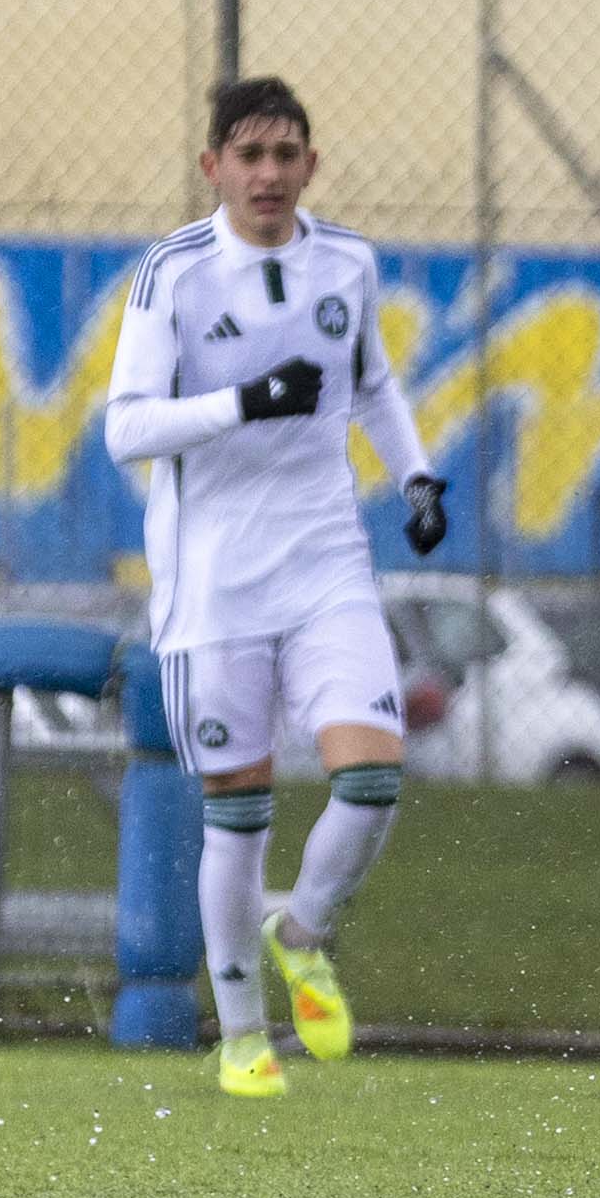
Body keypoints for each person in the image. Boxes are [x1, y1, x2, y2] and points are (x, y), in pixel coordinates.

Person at [106, 78, 452, 1100]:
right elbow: (127, 427)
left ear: (311, 165)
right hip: (211, 585)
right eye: (248, 155)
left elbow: (372, 384)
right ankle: (242, 1035)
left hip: (324, 564)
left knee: (373, 778)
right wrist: (244, 402)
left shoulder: (347, 263)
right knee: (239, 816)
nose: (268, 173)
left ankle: (301, 933)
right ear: (212, 167)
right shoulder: (174, 273)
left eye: (285, 154)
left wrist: (417, 476)